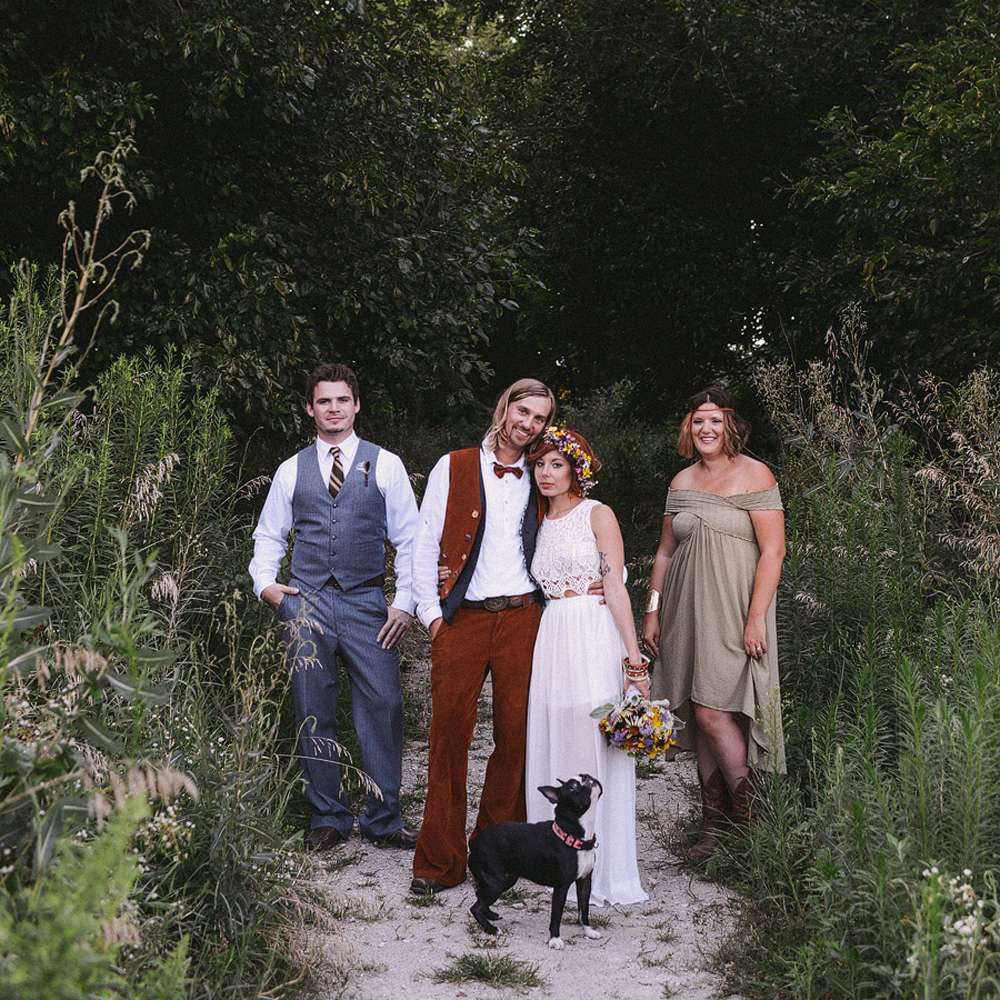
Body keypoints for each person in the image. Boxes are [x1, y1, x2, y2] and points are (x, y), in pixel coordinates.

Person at [249, 363, 420, 851]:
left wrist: (404, 602)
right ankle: (327, 815)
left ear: (356, 404)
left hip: (368, 601)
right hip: (306, 603)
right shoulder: (291, 469)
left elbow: (411, 540)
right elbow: (269, 535)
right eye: (324, 401)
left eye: (342, 399)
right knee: (313, 707)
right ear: (310, 408)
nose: (334, 409)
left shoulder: (385, 464)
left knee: (383, 705)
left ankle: (384, 817)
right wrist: (267, 586)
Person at [409, 378, 557, 895]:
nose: (529, 424)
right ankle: (439, 861)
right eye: (523, 411)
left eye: (540, 418)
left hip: (523, 619)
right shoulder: (454, 465)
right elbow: (424, 542)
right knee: (448, 738)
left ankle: (496, 854)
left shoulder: (545, 473)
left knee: (515, 738)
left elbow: (575, 529)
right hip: (463, 619)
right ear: (505, 408)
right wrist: (432, 615)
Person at [643, 385, 786, 861]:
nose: (706, 428)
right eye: (698, 420)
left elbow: (774, 551)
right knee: (695, 712)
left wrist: (756, 617)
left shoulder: (755, 474)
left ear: (730, 426)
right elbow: (665, 553)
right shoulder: (681, 481)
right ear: (689, 427)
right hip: (685, 611)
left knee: (714, 711)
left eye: (715, 421)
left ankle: (752, 823)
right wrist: (652, 610)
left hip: (735, 609)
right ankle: (714, 828)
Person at [524, 427, 649, 905]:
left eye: (557, 464)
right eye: (540, 464)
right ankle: (553, 862)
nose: (546, 474)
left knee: (592, 732)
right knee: (555, 728)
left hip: (592, 631)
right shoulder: (535, 519)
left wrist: (634, 661)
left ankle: (604, 867)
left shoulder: (598, 514)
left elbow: (614, 585)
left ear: (576, 469)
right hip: (553, 632)